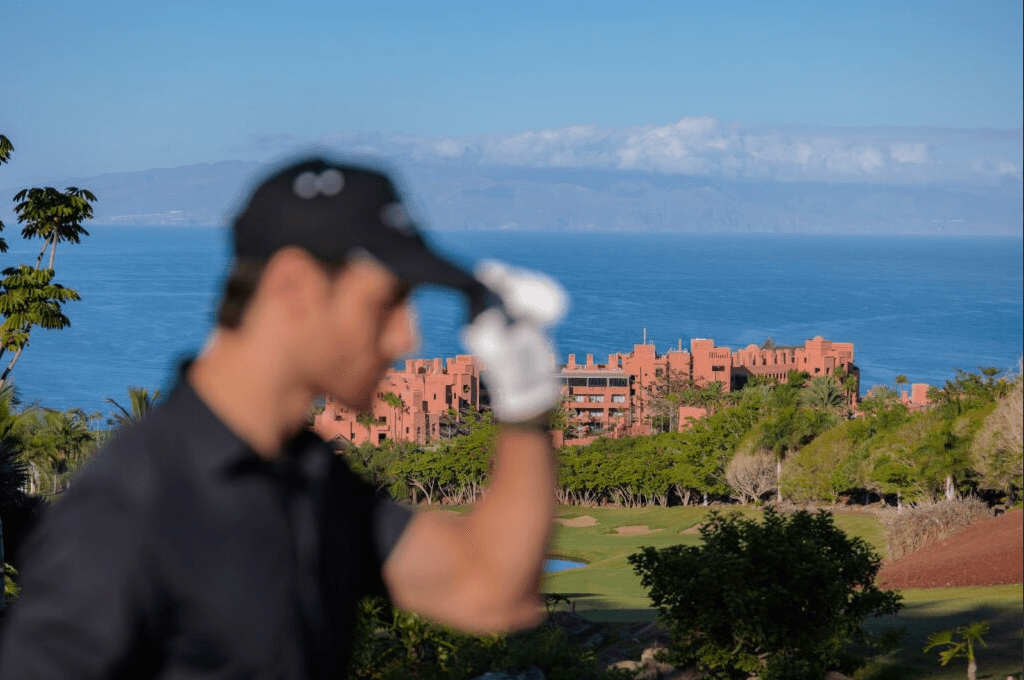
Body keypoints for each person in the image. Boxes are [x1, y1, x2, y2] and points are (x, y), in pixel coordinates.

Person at [0, 156, 568, 679]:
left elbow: (490, 591)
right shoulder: (130, 507)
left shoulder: (308, 473)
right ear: (293, 285)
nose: (407, 336)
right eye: (386, 304)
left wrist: (524, 408)